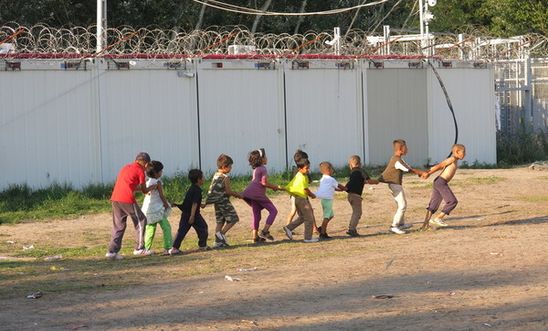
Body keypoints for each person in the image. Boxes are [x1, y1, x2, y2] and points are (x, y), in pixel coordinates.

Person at [106, 152, 157, 260]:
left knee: (119, 225)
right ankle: (139, 248)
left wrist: (144, 189)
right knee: (141, 220)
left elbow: (130, 185)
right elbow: (143, 190)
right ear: (146, 163)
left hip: (115, 198)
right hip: (127, 199)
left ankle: (112, 252)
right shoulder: (140, 171)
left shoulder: (126, 167)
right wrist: (151, 188)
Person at [378, 139, 425, 235]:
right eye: (406, 147)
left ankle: (401, 223)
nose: (407, 149)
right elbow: (407, 169)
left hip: (395, 184)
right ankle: (394, 226)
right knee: (402, 205)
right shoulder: (397, 160)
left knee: (402, 204)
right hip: (395, 185)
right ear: (400, 149)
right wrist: (420, 172)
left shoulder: (398, 158)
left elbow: (408, 167)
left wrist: (418, 173)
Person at [420, 144, 466, 229]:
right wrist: (428, 173)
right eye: (463, 152)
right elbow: (440, 166)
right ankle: (438, 218)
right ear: (457, 152)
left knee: (433, 206)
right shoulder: (452, 159)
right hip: (441, 182)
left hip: (438, 182)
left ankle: (424, 226)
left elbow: (439, 166)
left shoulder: (454, 160)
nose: (465, 154)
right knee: (452, 201)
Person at [242, 148, 282, 243]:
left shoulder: (256, 169)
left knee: (256, 215)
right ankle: (265, 231)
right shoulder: (263, 168)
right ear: (261, 159)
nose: (267, 158)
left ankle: (255, 237)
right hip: (258, 194)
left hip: (250, 193)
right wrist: (274, 187)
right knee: (273, 211)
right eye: (265, 157)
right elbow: (264, 183)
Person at [203, 154, 242, 248]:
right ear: (224, 167)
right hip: (223, 201)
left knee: (220, 221)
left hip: (216, 202)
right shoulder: (225, 177)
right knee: (233, 219)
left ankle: (217, 243)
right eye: (230, 166)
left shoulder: (216, 175)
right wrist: (238, 195)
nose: (231, 168)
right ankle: (221, 236)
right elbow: (228, 191)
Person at [169, 169, 209, 255]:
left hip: (185, 213)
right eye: (203, 177)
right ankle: (202, 245)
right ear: (198, 179)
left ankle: (174, 248)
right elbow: (194, 203)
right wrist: (192, 216)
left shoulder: (191, 188)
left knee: (182, 231)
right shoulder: (197, 190)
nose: (204, 179)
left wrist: (201, 204)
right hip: (193, 214)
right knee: (203, 228)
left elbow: (193, 201)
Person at [282, 156, 318, 243]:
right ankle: (308, 238)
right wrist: (312, 195)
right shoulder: (302, 177)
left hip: (297, 199)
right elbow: (305, 189)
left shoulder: (300, 175)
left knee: (302, 217)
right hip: (302, 199)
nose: (308, 170)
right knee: (309, 218)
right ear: (299, 168)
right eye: (306, 168)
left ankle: (288, 228)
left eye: (309, 168)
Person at [141, 160, 172, 256]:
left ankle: (146, 248)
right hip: (157, 209)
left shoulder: (147, 182)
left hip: (148, 209)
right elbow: (161, 196)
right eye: (161, 171)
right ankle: (168, 247)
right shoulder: (158, 183)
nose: (162, 173)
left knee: (150, 228)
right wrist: (166, 204)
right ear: (156, 173)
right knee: (166, 227)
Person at [345, 155, 378, 237]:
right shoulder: (361, 171)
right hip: (356, 195)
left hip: (350, 195)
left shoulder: (352, 172)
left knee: (355, 212)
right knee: (357, 212)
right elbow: (369, 180)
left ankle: (351, 228)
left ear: (350, 165)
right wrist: (376, 181)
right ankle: (351, 229)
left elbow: (359, 181)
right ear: (360, 164)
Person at [315, 161, 346, 239]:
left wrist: (339, 190)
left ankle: (322, 227)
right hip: (328, 200)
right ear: (328, 170)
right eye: (332, 169)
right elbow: (338, 185)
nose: (333, 170)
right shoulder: (331, 179)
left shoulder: (323, 178)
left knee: (330, 215)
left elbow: (331, 188)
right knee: (326, 216)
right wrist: (345, 188)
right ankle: (323, 233)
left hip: (324, 200)